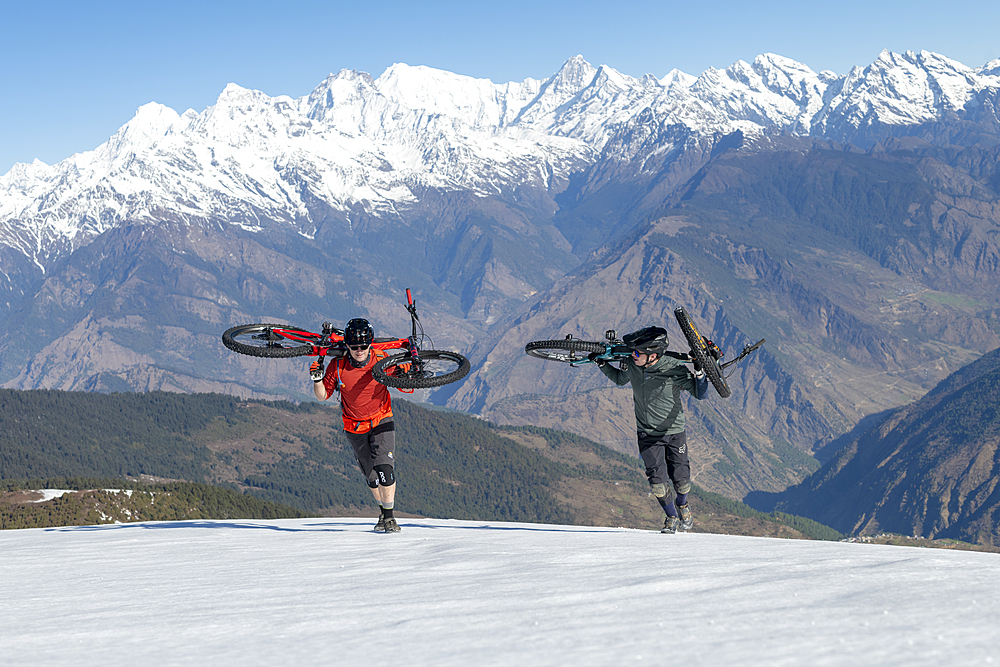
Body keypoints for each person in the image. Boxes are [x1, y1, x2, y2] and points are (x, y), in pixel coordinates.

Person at [589, 326, 710, 534]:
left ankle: (683, 506)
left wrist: (699, 373)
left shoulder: (674, 368)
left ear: (652, 356)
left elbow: (700, 394)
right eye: (632, 352)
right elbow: (620, 379)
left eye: (637, 353)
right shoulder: (633, 364)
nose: (632, 355)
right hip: (647, 434)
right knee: (657, 483)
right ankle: (671, 517)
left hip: (674, 432)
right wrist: (601, 363)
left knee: (681, 481)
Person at [310, 318, 412, 533]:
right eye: (354, 346)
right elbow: (322, 396)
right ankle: (382, 513)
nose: (359, 350)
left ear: (370, 344)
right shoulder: (337, 366)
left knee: (385, 469)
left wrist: (406, 371)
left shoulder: (381, 360)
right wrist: (317, 379)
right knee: (372, 477)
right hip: (354, 426)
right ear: (347, 345)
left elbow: (406, 386)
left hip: (382, 419)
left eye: (363, 346)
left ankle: (390, 518)